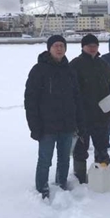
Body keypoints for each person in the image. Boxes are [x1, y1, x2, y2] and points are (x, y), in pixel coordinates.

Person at [24, 35, 85, 199]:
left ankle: (61, 183)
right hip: (46, 127)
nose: (59, 49)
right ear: (49, 49)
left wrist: (79, 123)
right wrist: (34, 127)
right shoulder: (38, 70)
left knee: (64, 159)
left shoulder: (70, 70)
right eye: (56, 46)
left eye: (62, 46)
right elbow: (30, 101)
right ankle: (41, 188)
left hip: (67, 125)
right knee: (45, 160)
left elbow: (77, 98)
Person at [69, 34, 110, 182]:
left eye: (95, 45)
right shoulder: (75, 65)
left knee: (102, 147)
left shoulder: (104, 64)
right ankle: (80, 177)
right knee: (81, 149)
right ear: (83, 47)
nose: (93, 48)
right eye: (89, 46)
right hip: (82, 115)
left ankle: (102, 174)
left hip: (102, 115)